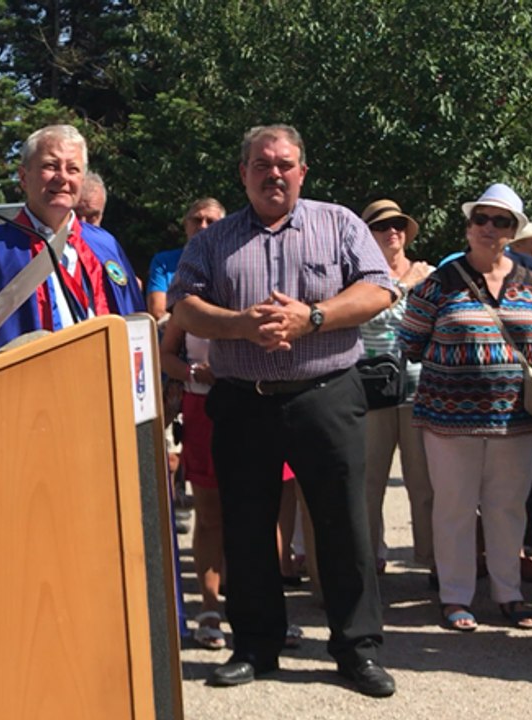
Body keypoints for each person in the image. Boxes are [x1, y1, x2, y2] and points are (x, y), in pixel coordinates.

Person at [171, 124, 397, 698]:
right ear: (243, 172)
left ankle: (357, 648)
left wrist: (313, 317)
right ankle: (255, 645)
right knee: (247, 525)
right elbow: (187, 308)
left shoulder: (339, 222)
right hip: (244, 401)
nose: (275, 173)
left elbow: (379, 288)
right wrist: (241, 324)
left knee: (342, 524)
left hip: (326, 393)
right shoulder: (211, 240)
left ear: (302, 170)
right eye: (262, 164)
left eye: (285, 163)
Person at [398, 183, 532, 633]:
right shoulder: (438, 282)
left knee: (507, 507)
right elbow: (410, 342)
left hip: (515, 417)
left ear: (513, 230)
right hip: (448, 416)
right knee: (455, 506)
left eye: (500, 221)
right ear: (468, 225)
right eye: (481, 218)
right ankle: (455, 597)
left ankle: (509, 594)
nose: (489, 227)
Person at [0, 125, 144, 359]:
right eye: (50, 166)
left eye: (72, 169)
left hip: (104, 382)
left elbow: (136, 329)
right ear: (23, 177)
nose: (62, 177)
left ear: (81, 180)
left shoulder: (105, 246)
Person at [158, 198, 228, 649]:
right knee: (209, 513)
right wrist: (189, 375)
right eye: (196, 220)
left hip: (255, 408)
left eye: (214, 223)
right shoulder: (186, 294)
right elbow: (166, 352)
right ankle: (209, 607)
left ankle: (259, 609)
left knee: (257, 514)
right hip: (204, 409)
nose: (205, 229)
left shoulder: (250, 279)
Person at [358, 200, 435, 580]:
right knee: (370, 483)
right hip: (372, 392)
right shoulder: (357, 277)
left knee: (423, 482)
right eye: (382, 225)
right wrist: (404, 287)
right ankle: (371, 558)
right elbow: (368, 314)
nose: (393, 231)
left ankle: (432, 558)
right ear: (367, 234)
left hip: (420, 391)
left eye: (399, 224)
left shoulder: (430, 273)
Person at [146, 199, 224, 320]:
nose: (203, 226)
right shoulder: (164, 262)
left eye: (210, 221)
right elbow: (158, 311)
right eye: (197, 220)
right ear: (185, 224)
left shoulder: (228, 264)